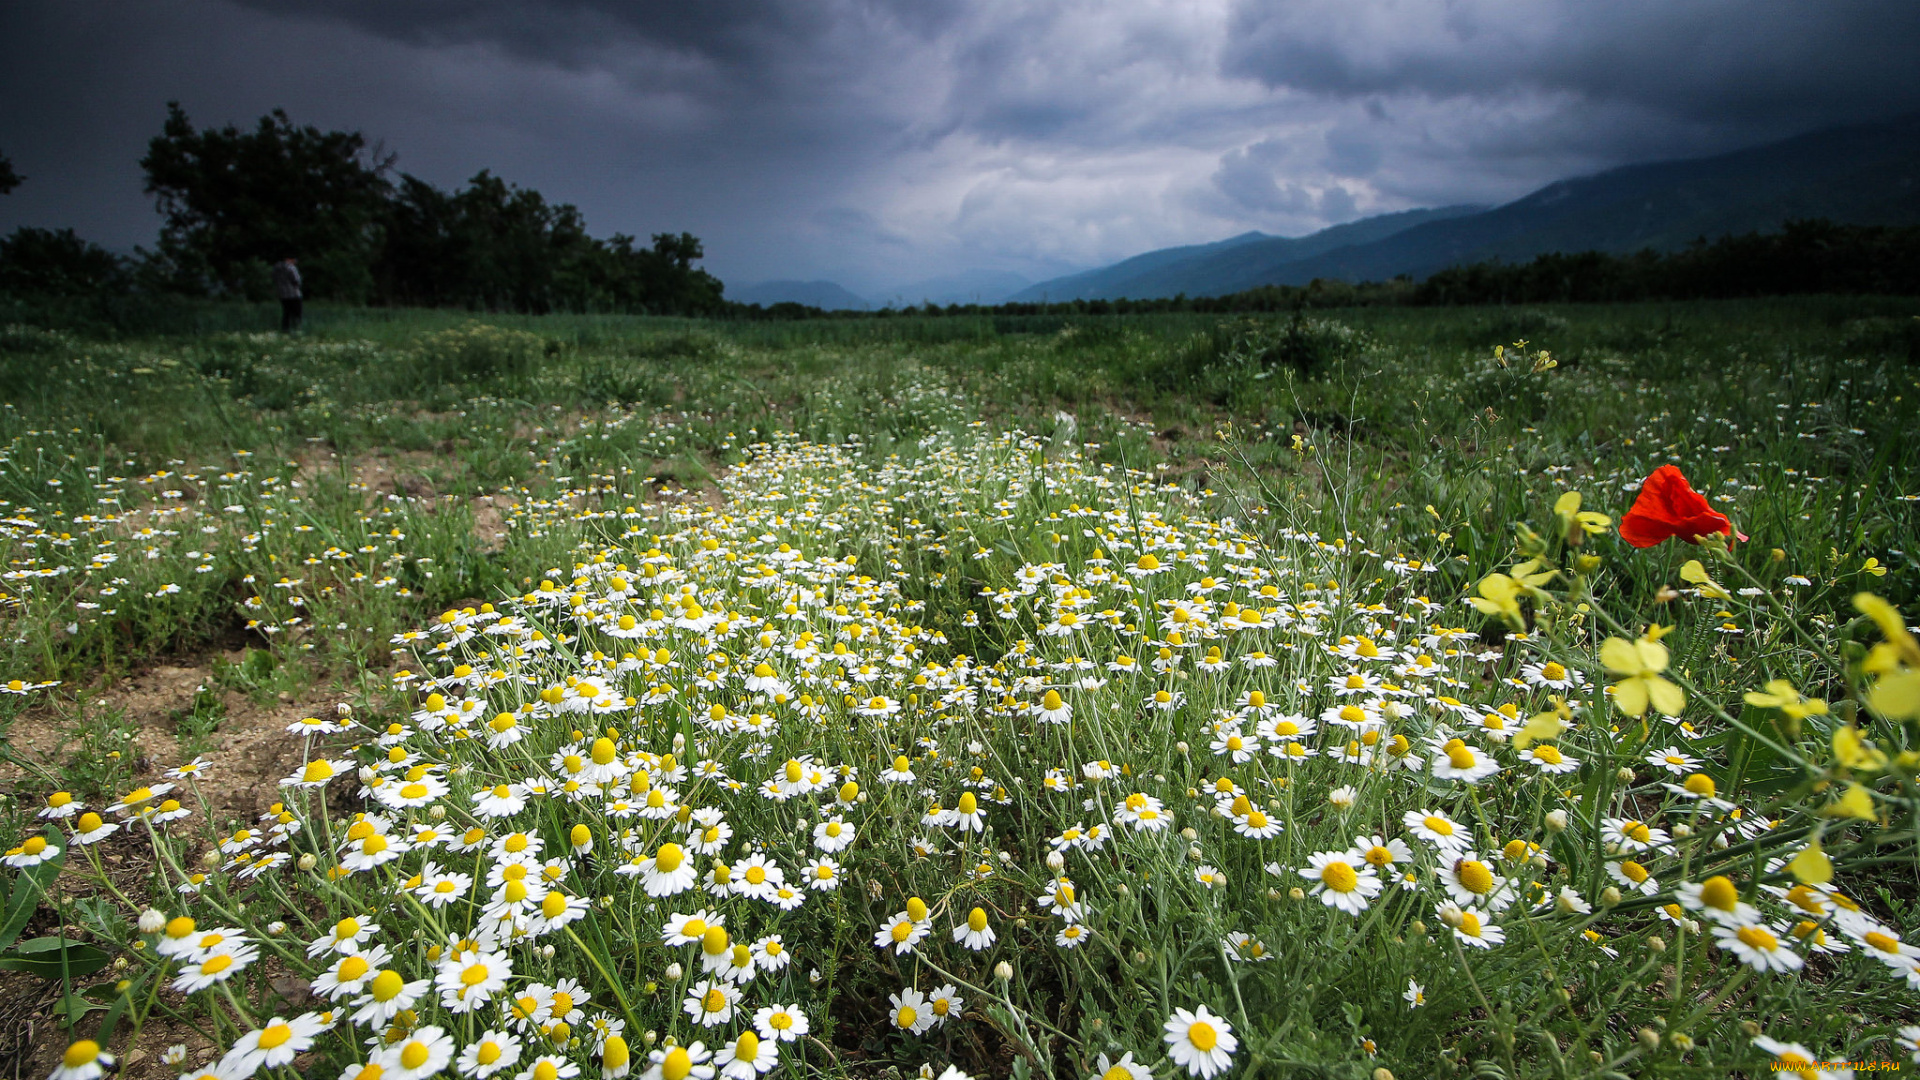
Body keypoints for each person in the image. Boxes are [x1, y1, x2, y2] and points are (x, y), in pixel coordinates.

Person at [272, 255, 303, 332]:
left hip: (282, 294)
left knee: (286, 313)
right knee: (297, 313)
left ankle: (285, 329)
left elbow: (274, 279)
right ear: (289, 259)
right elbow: (296, 280)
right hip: (294, 294)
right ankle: (297, 329)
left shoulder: (276, 268)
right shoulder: (291, 268)